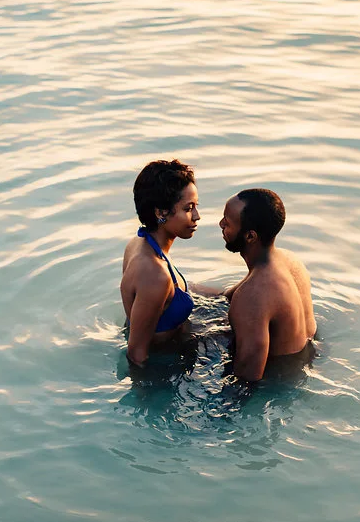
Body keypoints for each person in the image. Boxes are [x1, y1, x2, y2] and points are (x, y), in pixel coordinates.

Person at [219, 188, 316, 381]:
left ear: (250, 236)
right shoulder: (288, 260)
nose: (220, 224)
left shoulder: (254, 294)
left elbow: (245, 380)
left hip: (278, 384)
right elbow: (227, 297)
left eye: (227, 222)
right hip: (309, 358)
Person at [120, 159, 201, 366]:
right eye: (188, 208)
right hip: (166, 366)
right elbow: (137, 354)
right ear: (161, 212)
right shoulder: (154, 274)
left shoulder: (139, 243)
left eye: (196, 207)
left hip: (173, 347)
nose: (197, 216)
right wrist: (146, 396)